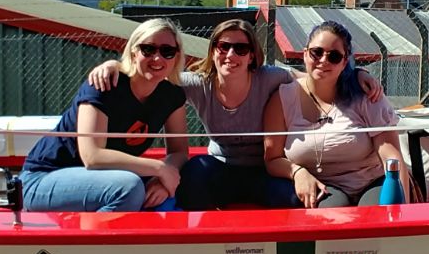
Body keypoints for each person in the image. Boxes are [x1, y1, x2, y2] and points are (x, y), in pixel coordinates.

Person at [86, 18, 385, 210]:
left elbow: (315, 74)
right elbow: (153, 74)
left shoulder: (270, 78)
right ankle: (202, 248)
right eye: (223, 46)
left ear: (253, 54)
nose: (231, 55)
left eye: (241, 49)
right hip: (221, 166)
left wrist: (356, 72)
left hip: (263, 169)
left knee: (298, 198)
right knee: (193, 173)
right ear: (212, 50)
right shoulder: (196, 84)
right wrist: (117, 66)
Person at [19, 18, 189, 212]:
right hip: (43, 179)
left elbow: (179, 152)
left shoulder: (172, 95)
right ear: (133, 52)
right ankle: (87, 241)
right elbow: (92, 156)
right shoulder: (105, 85)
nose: (157, 58)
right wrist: (159, 169)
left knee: (179, 186)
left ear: (176, 57)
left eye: (167, 51)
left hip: (105, 180)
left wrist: (163, 181)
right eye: (148, 49)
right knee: (129, 188)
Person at [264, 20, 407, 208]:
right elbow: (272, 158)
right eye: (317, 52)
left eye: (334, 56)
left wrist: (404, 205)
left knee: (377, 215)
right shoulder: (282, 99)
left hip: (372, 182)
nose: (323, 60)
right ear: (305, 54)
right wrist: (297, 172)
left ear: (344, 62)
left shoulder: (366, 94)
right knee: (331, 217)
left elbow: (392, 155)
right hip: (325, 186)